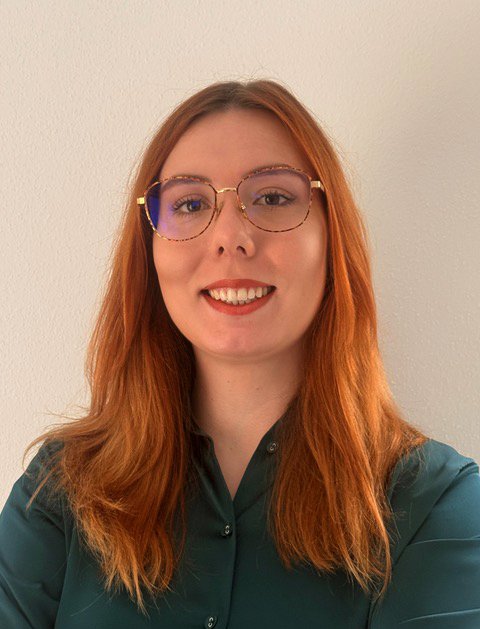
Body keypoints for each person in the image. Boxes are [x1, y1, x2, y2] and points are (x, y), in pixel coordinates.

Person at [0, 79, 479, 628]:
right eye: (190, 203)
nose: (230, 237)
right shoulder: (60, 493)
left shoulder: (435, 505)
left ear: (332, 237)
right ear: (149, 251)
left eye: (272, 198)